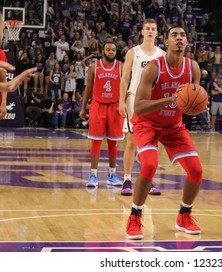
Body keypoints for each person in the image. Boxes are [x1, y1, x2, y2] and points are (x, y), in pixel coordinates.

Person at [125, 26, 203, 240]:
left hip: (173, 126)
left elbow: (193, 101)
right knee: (149, 164)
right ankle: (134, 216)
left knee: (196, 170)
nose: (179, 38)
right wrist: (171, 99)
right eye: (174, 35)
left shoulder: (192, 68)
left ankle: (184, 215)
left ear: (187, 42)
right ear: (166, 43)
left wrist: (195, 104)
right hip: (146, 123)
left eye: (183, 35)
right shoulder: (153, 67)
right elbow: (139, 106)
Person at [119, 19, 164, 196]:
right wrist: (121, 101)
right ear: (142, 32)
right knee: (132, 142)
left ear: (157, 33)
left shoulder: (161, 54)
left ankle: (149, 179)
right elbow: (124, 78)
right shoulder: (133, 52)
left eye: (153, 29)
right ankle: (127, 179)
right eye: (148, 29)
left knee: (152, 143)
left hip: (154, 102)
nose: (151, 31)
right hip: (134, 100)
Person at [79, 42, 124, 187]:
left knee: (113, 142)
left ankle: (112, 174)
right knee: (96, 141)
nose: (111, 52)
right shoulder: (94, 66)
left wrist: (124, 104)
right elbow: (88, 87)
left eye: (113, 50)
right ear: (103, 51)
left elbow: (126, 87)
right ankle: (93, 175)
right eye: (108, 49)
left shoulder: (121, 66)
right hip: (98, 105)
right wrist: (83, 108)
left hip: (115, 106)